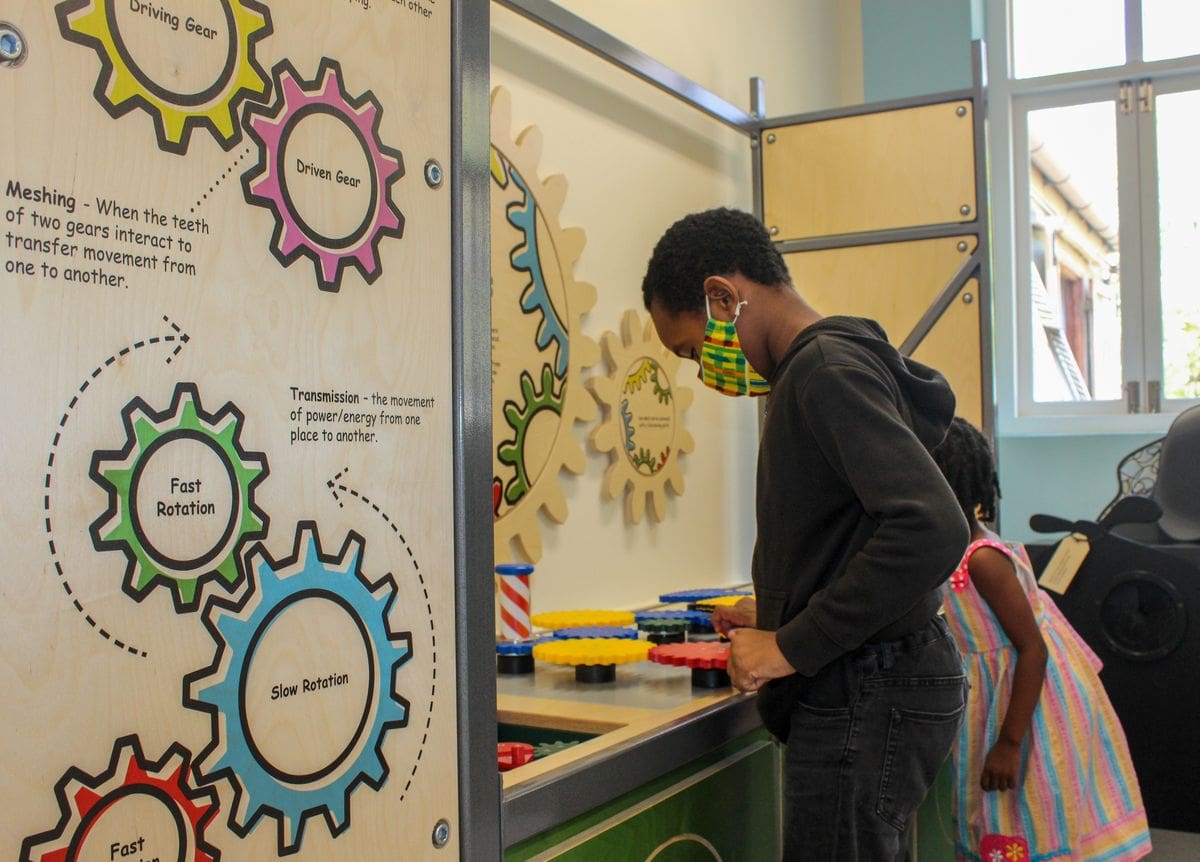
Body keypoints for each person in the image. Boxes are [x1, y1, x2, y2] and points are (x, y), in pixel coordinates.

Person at [642, 207, 970, 860]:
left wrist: (790, 643)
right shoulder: (824, 370)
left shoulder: (824, 371)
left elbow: (930, 526)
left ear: (722, 297)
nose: (704, 369)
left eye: (694, 348)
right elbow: (853, 529)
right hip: (877, 676)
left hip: (866, 686)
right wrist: (781, 606)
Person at [931, 417, 1152, 861]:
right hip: (994, 703)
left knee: (1028, 809)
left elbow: (1033, 648)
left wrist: (1010, 743)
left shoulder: (981, 562)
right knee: (996, 816)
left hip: (1025, 709)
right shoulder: (950, 550)